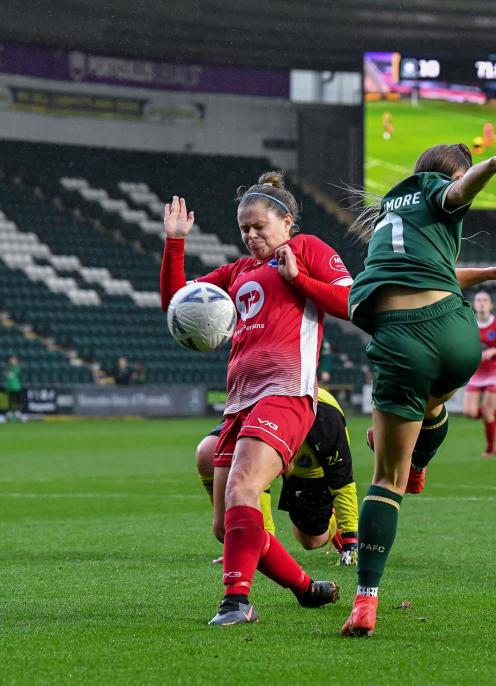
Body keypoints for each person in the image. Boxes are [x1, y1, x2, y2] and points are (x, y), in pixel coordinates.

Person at [341, 140, 496, 636]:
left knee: (386, 480)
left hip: (401, 340)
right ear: (449, 173)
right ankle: (421, 460)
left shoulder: (391, 206)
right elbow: (457, 195)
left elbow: (419, 270)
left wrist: (492, 271)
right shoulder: (439, 191)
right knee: (432, 406)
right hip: (456, 334)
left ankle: (366, 601)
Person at [160, 171, 352, 626]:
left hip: (286, 393)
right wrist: (175, 243)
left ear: (287, 222)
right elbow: (176, 304)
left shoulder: (308, 251)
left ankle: (236, 601)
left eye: (259, 226)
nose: (250, 235)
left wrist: (300, 279)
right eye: (244, 228)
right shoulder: (238, 271)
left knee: (244, 487)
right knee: (227, 526)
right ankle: (307, 589)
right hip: (239, 403)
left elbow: (351, 302)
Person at [196, 387, 359, 566]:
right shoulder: (263, 414)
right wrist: (263, 545)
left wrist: (350, 540)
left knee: (312, 540)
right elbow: (257, 485)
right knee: (208, 451)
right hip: (260, 402)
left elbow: (342, 483)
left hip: (308, 468)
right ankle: (243, 541)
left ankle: (332, 521)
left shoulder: (327, 423)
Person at [463, 291, 496, 457]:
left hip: (495, 372)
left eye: (485, 300)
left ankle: (490, 449)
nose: (481, 303)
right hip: (476, 372)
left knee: (486, 410)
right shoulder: (469, 324)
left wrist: (494, 351)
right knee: (469, 413)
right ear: (474, 305)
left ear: (491, 305)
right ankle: (493, 413)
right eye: (478, 300)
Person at [3, 354, 24, 422]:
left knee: (18, 401)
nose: (12, 361)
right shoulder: (8, 368)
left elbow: (15, 372)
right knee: (10, 401)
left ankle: (18, 413)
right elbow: (5, 374)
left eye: (14, 360)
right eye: (11, 360)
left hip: (16, 387)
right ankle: (9, 414)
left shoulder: (17, 368)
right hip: (10, 387)